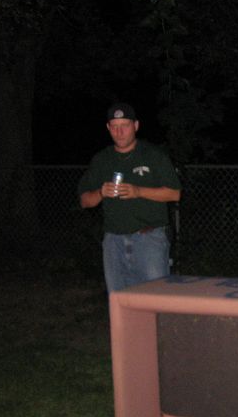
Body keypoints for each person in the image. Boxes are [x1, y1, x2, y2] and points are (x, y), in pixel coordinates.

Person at [78, 103, 182, 293]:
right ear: (108, 128)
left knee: (154, 298)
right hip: (113, 242)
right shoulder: (102, 160)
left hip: (149, 239)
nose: (119, 132)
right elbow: (85, 201)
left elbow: (174, 193)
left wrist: (138, 191)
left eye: (125, 125)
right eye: (114, 127)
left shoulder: (153, 155)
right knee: (119, 300)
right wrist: (101, 192)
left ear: (135, 126)